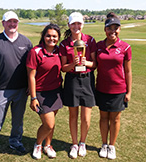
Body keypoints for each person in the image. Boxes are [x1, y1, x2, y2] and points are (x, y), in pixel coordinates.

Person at [0, 11, 32, 162]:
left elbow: (31, 67)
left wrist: (30, 85)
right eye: (9, 21)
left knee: (18, 120)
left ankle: (15, 142)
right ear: (3, 23)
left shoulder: (26, 42)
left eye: (15, 21)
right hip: (0, 90)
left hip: (21, 89)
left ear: (18, 23)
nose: (12, 24)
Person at [59, 12, 97, 159]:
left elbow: (95, 64)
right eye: (73, 24)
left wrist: (84, 62)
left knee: (86, 117)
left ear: (83, 25)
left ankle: (82, 142)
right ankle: (74, 144)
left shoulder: (90, 40)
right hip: (72, 80)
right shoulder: (64, 43)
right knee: (73, 115)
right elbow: (63, 68)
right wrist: (73, 64)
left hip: (87, 79)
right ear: (69, 25)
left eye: (79, 23)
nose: (76, 26)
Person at [95, 14, 132, 160]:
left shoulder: (125, 47)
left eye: (116, 28)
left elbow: (128, 71)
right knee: (103, 118)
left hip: (119, 90)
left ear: (120, 29)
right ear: (105, 30)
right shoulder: (98, 46)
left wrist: (129, 92)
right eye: (109, 28)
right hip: (102, 89)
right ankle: (104, 144)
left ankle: (112, 146)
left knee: (115, 119)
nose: (113, 31)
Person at [26, 24, 63, 159]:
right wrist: (33, 97)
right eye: (48, 36)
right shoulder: (35, 52)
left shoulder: (59, 50)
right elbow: (31, 76)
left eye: (54, 36)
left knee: (51, 121)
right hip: (41, 93)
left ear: (58, 38)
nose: (51, 39)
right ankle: (38, 144)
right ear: (43, 36)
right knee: (48, 124)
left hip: (56, 92)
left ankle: (48, 145)